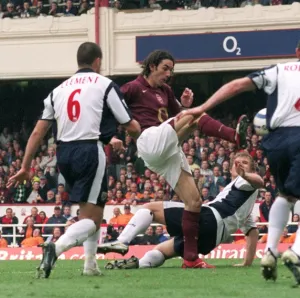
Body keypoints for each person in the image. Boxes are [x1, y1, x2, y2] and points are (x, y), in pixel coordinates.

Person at [103, 50, 249, 268]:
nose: (169, 73)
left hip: (168, 150)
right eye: (165, 68)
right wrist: (110, 136)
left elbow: (181, 117)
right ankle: (234, 136)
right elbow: (109, 108)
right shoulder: (133, 87)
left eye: (171, 69)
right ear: (152, 66)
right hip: (149, 140)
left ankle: (191, 259)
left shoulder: (166, 91)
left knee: (194, 202)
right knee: (196, 114)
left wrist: (185, 106)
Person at [7, 42, 141, 279]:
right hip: (90, 150)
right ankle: (55, 248)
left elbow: (38, 133)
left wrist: (26, 166)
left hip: (64, 155)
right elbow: (129, 123)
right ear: (98, 61)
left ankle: (90, 265)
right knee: (93, 217)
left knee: (90, 211)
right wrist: (144, 134)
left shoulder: (58, 90)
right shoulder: (105, 85)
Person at [179, 42, 300, 284]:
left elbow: (236, 85)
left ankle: (270, 251)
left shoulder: (279, 70)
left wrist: (202, 107)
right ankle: (295, 252)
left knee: (286, 197)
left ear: (297, 52)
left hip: (276, 141)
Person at [101, 152, 262, 270]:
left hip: (208, 219)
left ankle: (122, 241)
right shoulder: (244, 202)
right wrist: (247, 263)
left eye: (244, 163)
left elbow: (259, 181)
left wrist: (246, 175)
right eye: (237, 162)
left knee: (149, 208)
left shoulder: (245, 181)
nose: (239, 165)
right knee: (161, 251)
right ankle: (138, 265)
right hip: (211, 240)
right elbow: (252, 233)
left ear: (252, 170)